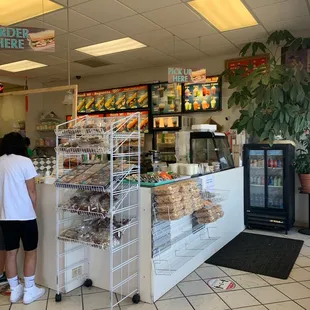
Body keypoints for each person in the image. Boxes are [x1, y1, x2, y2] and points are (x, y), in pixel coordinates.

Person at [0, 132, 44, 304]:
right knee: (30, 252)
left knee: (11, 253)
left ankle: (14, 290)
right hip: (25, 215)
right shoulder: (25, 162)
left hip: (5, 216)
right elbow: (32, 191)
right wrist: (33, 209)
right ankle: (29, 290)